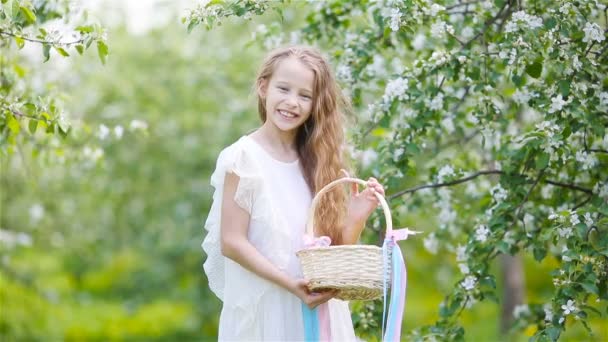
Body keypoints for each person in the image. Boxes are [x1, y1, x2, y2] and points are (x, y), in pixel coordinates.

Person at [202, 45, 385, 341]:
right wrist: (291, 285)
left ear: (316, 104)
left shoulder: (319, 163)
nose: (292, 102)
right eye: (283, 89)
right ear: (264, 87)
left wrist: (356, 217)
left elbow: (329, 255)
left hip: (317, 311)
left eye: (305, 95)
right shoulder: (242, 158)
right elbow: (232, 242)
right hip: (270, 308)